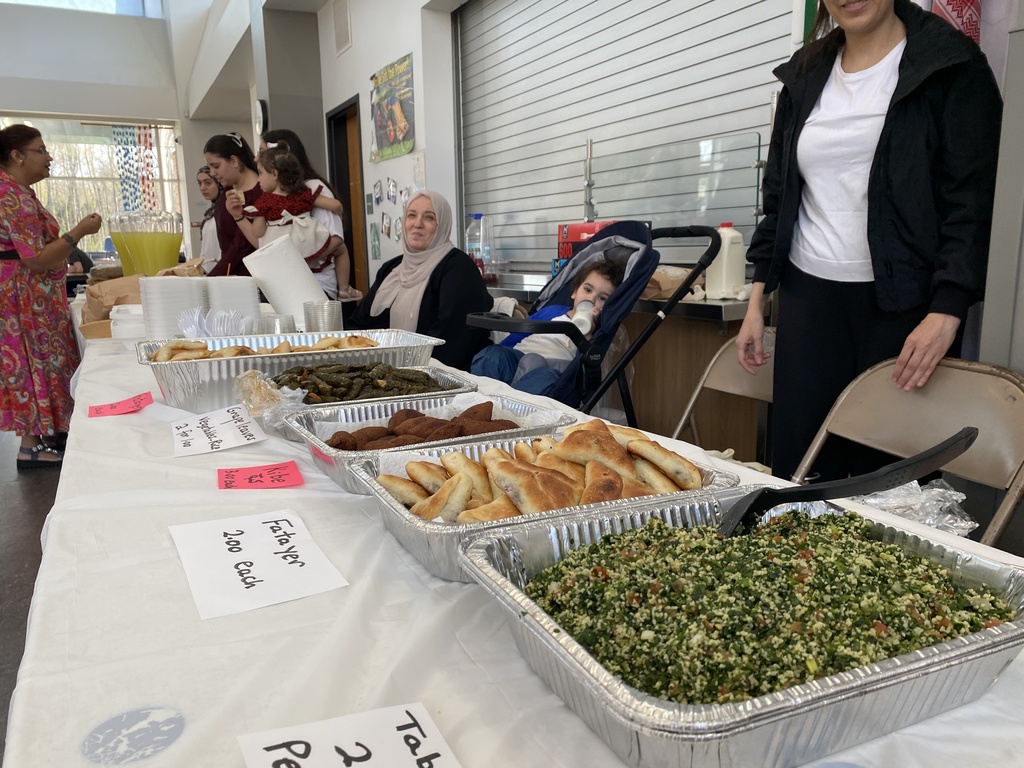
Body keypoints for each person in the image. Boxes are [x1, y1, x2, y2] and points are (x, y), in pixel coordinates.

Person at [735, 0, 1002, 482]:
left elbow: (974, 200)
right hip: (808, 301)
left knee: (892, 480)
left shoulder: (949, 64)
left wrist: (948, 309)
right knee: (802, 471)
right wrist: (758, 297)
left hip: (904, 308)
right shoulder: (804, 74)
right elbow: (779, 196)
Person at [0, 124, 102, 470]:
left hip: (33, 298)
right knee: (30, 364)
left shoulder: (19, 191)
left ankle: (49, 433)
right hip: (22, 301)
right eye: (41, 150)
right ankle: (30, 447)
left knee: (42, 363)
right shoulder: (9, 195)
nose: (49, 157)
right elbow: (35, 258)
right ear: (17, 155)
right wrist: (78, 233)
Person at [347, 189, 493, 370]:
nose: (417, 224)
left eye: (429, 218)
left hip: (436, 375)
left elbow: (449, 341)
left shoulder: (458, 268)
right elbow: (358, 325)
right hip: (382, 374)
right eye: (411, 215)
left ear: (442, 225)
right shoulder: (391, 269)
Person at [470, 260, 624, 395]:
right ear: (575, 292)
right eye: (588, 290)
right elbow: (519, 334)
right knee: (492, 355)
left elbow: (579, 367)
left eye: (602, 298)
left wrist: (587, 334)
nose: (591, 299)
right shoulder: (552, 312)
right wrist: (501, 355)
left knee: (545, 378)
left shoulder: (595, 330)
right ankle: (477, 404)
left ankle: (509, 411)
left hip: (549, 372)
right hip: (518, 360)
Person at [260, 129, 359, 300]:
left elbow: (336, 237)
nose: (256, 158)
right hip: (285, 282)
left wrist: (295, 259)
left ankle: (343, 288)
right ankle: (344, 288)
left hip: (313, 285)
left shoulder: (310, 188)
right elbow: (336, 206)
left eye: (261, 152)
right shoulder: (289, 195)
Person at [232, 142, 342, 278]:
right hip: (307, 246)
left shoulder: (265, 202)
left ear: (274, 174)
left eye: (260, 173)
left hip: (281, 255)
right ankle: (344, 289)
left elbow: (258, 232)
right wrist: (339, 215)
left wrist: (258, 219)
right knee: (341, 251)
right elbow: (336, 206)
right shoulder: (303, 194)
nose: (258, 178)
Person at [203, 133, 261, 276]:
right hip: (229, 274)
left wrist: (212, 279)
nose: (212, 173)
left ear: (234, 161)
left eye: (216, 166)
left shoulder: (260, 193)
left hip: (252, 280)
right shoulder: (228, 191)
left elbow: (241, 248)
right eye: (209, 167)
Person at [196, 165, 222, 274]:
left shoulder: (227, 210)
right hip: (209, 275)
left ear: (219, 183)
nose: (202, 188)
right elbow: (205, 252)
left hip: (224, 274)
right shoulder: (209, 215)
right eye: (200, 183)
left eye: (208, 183)